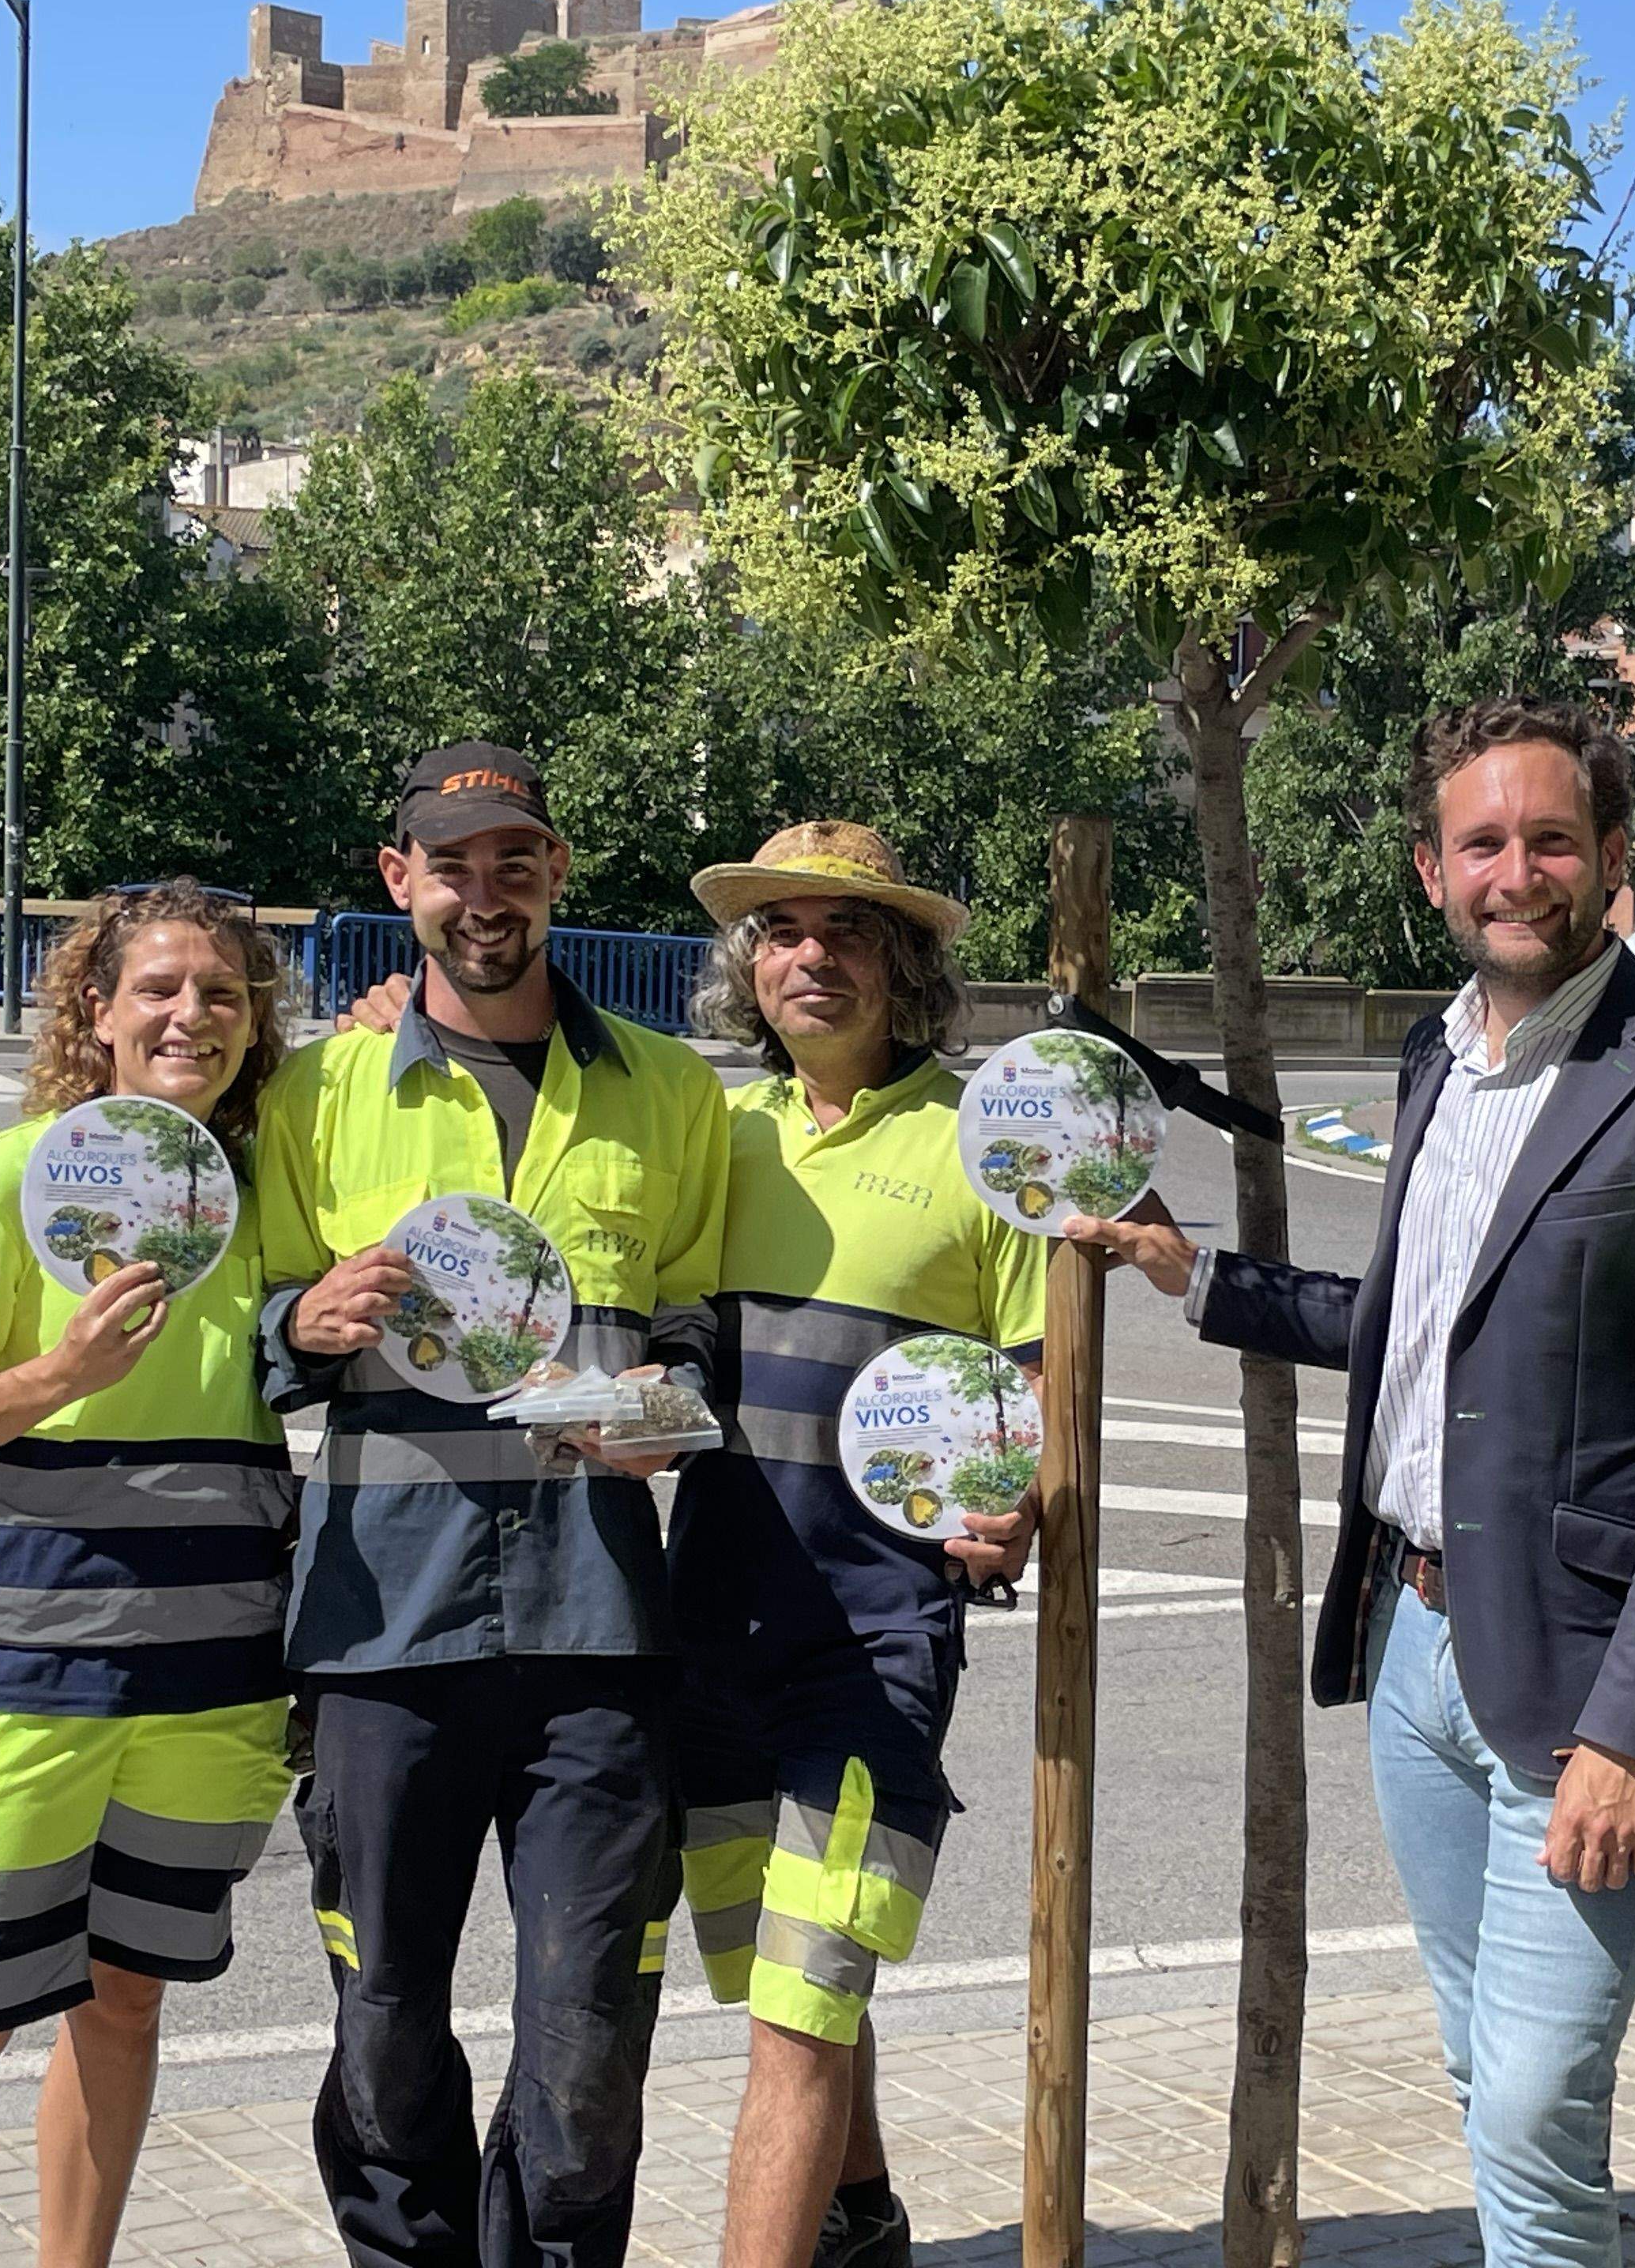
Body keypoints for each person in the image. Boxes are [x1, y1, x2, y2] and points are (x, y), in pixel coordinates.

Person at [1072, 698, 1635, 2268]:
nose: (1517, 871)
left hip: (1586, 1693)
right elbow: (1419, 1331)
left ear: (1613, 857)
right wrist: (1201, 1278)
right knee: (1488, 2077)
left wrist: (1633, 1740)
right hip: (1417, 1656)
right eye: (1483, 843)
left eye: (1553, 838)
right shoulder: (1433, 1061)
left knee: (1531, 2105)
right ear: (1433, 868)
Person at [256, 743, 728, 2268]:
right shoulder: (316, 1092)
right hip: (381, 1627)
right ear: (400, 881)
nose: (484, 894)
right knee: (386, 2026)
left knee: (588, 2037)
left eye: (513, 861)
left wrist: (668, 1409)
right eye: (451, 865)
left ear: (556, 874)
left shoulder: (666, 1087)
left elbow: (702, 1323)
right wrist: (299, 1326)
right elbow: (236, 1338)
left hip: (597, 1632)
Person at [0, 881, 299, 2268]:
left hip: (213, 1688)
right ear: (96, 1013)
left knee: (128, 2005)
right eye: (159, 988)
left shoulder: (264, 1202)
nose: (191, 1014)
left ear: (258, 1026)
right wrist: (57, 1376)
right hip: (30, 1679)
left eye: (223, 992)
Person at [677, 824, 1043, 2268]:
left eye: (846, 931)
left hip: (877, 1643)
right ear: (747, 968)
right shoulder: (714, 1132)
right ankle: (861, 2217)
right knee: (790, 1973)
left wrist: (1026, 1500)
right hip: (707, 1623)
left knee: (802, 2006)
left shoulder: (983, 1136)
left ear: (907, 967)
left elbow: (1039, 1381)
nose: (810, 956)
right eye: (780, 932)